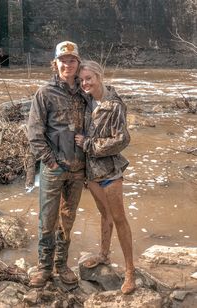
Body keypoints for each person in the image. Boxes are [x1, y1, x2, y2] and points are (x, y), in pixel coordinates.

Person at [27, 41, 87, 287]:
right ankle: (43, 268)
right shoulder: (45, 93)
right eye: (63, 60)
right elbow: (34, 132)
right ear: (55, 63)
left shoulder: (85, 93)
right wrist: (50, 162)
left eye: (72, 60)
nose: (68, 64)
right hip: (54, 168)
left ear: (78, 64)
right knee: (47, 219)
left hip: (78, 169)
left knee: (68, 219)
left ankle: (62, 265)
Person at [75, 60, 136, 294]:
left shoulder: (115, 105)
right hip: (91, 173)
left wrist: (89, 144)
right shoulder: (87, 101)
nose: (85, 83)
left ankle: (130, 271)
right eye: (82, 80)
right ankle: (103, 255)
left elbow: (122, 140)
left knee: (120, 219)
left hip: (110, 171)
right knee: (104, 216)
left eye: (89, 78)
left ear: (99, 77)